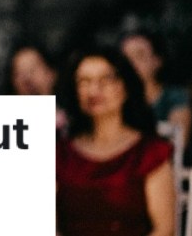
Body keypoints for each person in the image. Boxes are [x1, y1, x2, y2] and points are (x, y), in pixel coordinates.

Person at [56, 48, 175, 236]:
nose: (94, 90)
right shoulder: (59, 154)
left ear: (126, 86)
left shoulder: (150, 152)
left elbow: (164, 229)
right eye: (84, 81)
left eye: (105, 79)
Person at [121, 30, 192, 141]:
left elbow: (177, 141)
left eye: (139, 55)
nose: (131, 63)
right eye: (126, 58)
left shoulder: (174, 97)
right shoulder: (116, 99)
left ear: (157, 60)